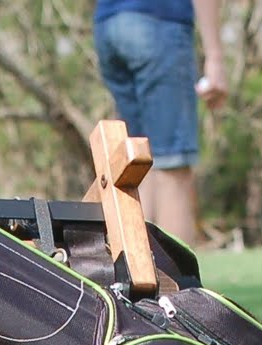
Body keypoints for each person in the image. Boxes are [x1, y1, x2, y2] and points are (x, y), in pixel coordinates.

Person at [93, 0, 228, 246]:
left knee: (139, 165)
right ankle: (176, 283)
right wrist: (215, 57)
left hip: (108, 24)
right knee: (172, 169)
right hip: (159, 22)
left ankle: (140, 279)